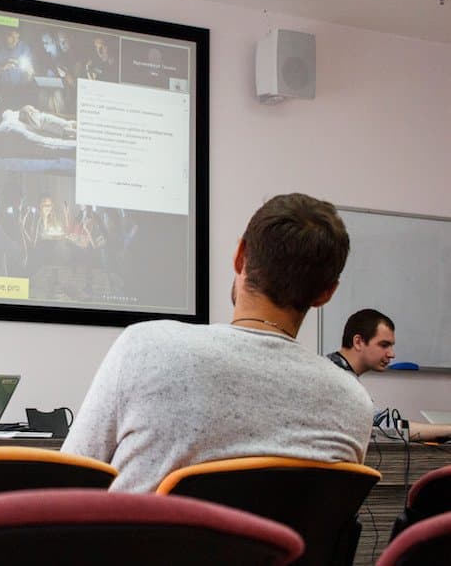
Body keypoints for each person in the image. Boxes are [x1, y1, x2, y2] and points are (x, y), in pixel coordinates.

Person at [62, 193, 373, 492]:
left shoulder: (144, 346)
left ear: (240, 257)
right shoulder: (354, 402)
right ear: (327, 293)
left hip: (140, 546)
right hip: (275, 549)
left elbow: (69, 480)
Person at [328, 309, 451, 442]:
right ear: (358, 342)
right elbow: (386, 428)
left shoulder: (333, 368)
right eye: (384, 345)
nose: (392, 354)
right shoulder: (340, 381)